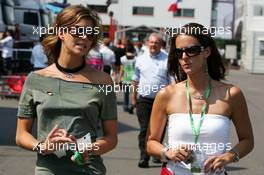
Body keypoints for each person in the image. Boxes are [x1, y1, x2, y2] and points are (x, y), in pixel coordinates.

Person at [15, 5, 118, 175]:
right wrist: (42, 146)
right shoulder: (35, 79)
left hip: (89, 169)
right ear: (61, 33)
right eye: (78, 31)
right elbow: (21, 135)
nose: (85, 37)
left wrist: (91, 149)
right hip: (48, 169)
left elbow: (111, 138)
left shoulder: (103, 81)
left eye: (90, 33)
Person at [147, 23, 254, 175]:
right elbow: (151, 143)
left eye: (191, 50)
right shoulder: (166, 94)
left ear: (207, 52)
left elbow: (247, 140)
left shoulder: (232, 94)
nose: (184, 57)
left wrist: (229, 156)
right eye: (179, 52)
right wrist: (167, 152)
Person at [132, 33, 172, 168]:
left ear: (161, 45)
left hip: (162, 102)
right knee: (144, 129)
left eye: (156, 43)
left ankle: (156, 153)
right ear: (147, 43)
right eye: (151, 42)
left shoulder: (167, 59)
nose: (153, 45)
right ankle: (144, 156)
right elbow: (135, 79)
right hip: (144, 100)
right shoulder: (140, 59)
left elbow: (172, 81)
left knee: (158, 130)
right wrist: (133, 97)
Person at [119, 45, 136, 114]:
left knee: (126, 93)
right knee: (133, 93)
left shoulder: (123, 58)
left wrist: (120, 78)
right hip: (134, 78)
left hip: (126, 77)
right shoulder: (136, 58)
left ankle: (125, 106)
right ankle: (131, 106)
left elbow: (122, 69)